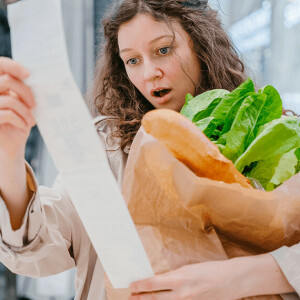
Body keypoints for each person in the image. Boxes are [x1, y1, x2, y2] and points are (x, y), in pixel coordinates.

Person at [0, 0, 298, 299]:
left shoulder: (272, 134)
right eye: (132, 60)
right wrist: (9, 159)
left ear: (202, 44)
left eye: (163, 50)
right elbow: (37, 252)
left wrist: (248, 276)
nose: (149, 73)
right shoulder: (107, 147)